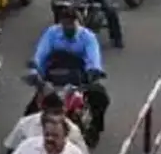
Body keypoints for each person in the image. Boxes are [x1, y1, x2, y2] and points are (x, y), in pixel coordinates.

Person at [30, 10, 108, 140]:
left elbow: (93, 58)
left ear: (78, 22)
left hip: (78, 78)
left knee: (101, 97)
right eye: (65, 24)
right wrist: (35, 73)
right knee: (30, 111)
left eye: (71, 23)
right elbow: (40, 55)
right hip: (53, 79)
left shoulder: (88, 37)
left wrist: (93, 72)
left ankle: (95, 129)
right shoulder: (51, 33)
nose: (68, 27)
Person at [2, 90, 89, 154]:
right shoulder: (25, 124)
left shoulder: (73, 131)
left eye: (58, 113)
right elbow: (11, 149)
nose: (56, 117)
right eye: (52, 113)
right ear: (43, 109)